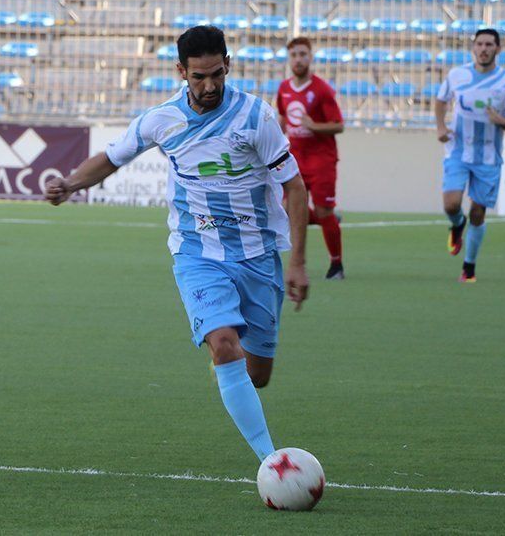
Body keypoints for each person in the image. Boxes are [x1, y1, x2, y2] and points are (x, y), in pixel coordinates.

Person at [44, 26, 310, 462]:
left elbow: (294, 188)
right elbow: (112, 158)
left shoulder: (256, 117)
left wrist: (297, 260)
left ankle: (226, 364)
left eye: (216, 75)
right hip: (197, 252)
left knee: (257, 374)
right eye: (199, 77)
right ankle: (272, 460)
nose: (209, 86)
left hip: (258, 254)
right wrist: (71, 183)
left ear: (228, 65)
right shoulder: (161, 119)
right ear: (181, 72)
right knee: (225, 345)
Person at [434, 28, 505, 283]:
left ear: (498, 49)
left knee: (478, 214)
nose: (484, 49)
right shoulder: (457, 75)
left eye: (489, 45)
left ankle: (469, 267)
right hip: (458, 150)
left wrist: (500, 120)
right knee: (450, 204)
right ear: (473, 48)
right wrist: (440, 127)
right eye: (480, 44)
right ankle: (456, 223)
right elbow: (441, 101)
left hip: (488, 157)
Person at [276, 37, 346, 280]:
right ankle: (325, 220)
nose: (298, 59)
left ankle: (336, 264)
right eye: (294, 54)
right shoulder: (284, 88)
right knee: (288, 208)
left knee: (324, 210)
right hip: (295, 158)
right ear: (289, 58)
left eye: (303, 54)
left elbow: (338, 126)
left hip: (322, 159)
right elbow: (283, 118)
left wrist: (313, 126)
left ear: (310, 57)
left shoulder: (321, 90)